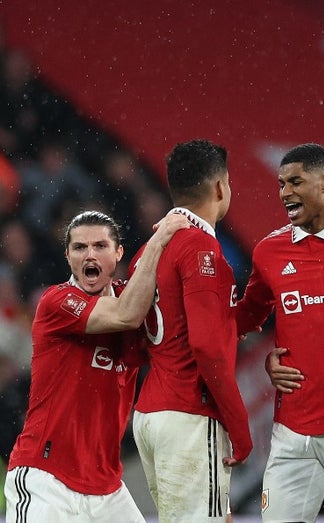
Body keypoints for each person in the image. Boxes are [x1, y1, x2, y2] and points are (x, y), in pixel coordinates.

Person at [4, 210, 188, 522]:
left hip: (107, 488)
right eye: (79, 247)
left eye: (100, 246)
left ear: (118, 253)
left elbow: (183, 332)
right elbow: (125, 315)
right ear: (68, 256)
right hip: (46, 479)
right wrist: (158, 242)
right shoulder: (57, 302)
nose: (90, 254)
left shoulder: (134, 298)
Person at [235, 143, 324, 522]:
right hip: (294, 431)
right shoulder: (269, 251)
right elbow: (246, 317)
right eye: (281, 184)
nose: (285, 193)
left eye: (295, 182)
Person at [130, 139, 253, 522]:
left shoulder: (148, 251)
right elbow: (206, 347)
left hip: (151, 413)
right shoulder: (201, 249)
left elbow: (138, 337)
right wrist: (239, 425)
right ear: (219, 187)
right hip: (189, 415)